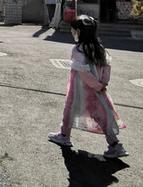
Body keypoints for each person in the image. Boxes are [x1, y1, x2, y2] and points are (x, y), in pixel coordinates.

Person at [48, 15, 127, 158]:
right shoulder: (99, 48)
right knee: (102, 114)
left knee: (70, 108)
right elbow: (107, 67)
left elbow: (83, 72)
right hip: (99, 89)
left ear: (78, 32)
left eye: (73, 30)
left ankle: (64, 136)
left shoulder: (78, 49)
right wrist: (103, 83)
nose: (72, 33)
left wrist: (96, 85)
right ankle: (115, 145)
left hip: (80, 88)